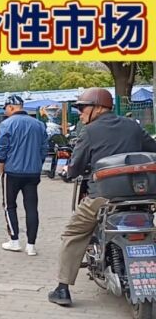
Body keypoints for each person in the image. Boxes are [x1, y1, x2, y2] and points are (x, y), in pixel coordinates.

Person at [48, 88, 156, 306]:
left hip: (103, 198)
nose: (79, 112)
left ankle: (62, 289)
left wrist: (67, 173)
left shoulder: (89, 131)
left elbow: (76, 166)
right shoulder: (132, 126)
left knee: (73, 233)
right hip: (140, 198)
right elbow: (153, 149)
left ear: (98, 107)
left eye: (82, 107)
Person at [0, 94, 48, 256]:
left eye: (6, 108)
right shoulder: (39, 125)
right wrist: (37, 164)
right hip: (33, 173)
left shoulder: (6, 124)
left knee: (9, 206)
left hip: (12, 172)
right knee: (32, 208)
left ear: (11, 107)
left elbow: (1, 150)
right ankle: (31, 245)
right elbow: (44, 149)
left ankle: (14, 241)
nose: (5, 111)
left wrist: (0, 168)